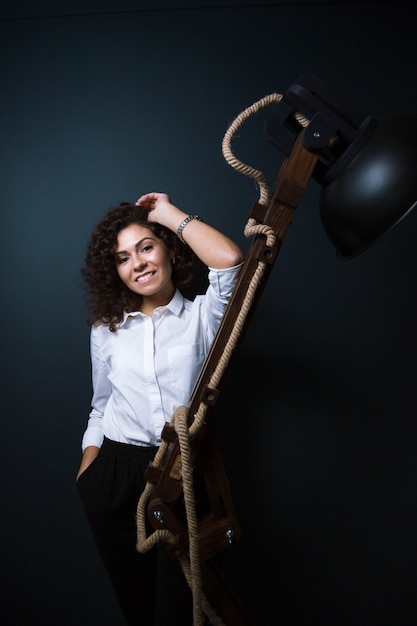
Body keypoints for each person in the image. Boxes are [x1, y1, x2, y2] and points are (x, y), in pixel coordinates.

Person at [76, 192, 244, 626]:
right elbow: (100, 404)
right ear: (114, 271)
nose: (139, 264)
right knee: (139, 608)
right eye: (123, 258)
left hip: (184, 471)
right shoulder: (106, 331)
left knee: (189, 605)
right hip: (115, 475)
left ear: (169, 249)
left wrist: (166, 214)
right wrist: (89, 467)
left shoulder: (204, 317)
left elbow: (229, 260)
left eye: (146, 247)